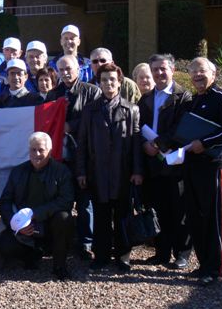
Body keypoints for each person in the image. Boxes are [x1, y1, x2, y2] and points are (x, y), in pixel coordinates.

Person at [76, 63, 143, 272]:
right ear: (99, 83)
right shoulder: (90, 110)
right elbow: (82, 143)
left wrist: (137, 171)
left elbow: (136, 144)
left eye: (112, 79)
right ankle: (102, 255)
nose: (108, 83)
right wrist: (81, 171)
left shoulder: (132, 109)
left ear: (120, 82)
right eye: (104, 80)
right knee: (101, 215)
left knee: (123, 215)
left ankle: (123, 256)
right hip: (97, 172)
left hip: (122, 173)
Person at [183, 57, 222, 286]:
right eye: (193, 71)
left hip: (216, 165)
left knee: (216, 217)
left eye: (202, 71)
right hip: (194, 166)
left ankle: (215, 268)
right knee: (197, 216)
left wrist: (205, 143)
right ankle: (203, 264)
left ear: (213, 74)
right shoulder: (194, 100)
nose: (198, 75)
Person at [138, 54, 192, 269]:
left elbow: (182, 128)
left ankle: (182, 254)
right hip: (152, 163)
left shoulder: (183, 96)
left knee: (179, 210)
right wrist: (144, 144)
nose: (159, 73)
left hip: (174, 162)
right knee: (158, 209)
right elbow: (138, 126)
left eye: (163, 69)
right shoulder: (145, 98)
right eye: (155, 69)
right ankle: (162, 253)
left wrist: (158, 143)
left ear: (172, 69)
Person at [0, 132, 74, 280]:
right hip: (24, 226)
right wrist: (16, 224)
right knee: (5, 246)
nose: (37, 154)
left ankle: (59, 266)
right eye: (33, 150)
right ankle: (31, 255)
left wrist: (35, 214)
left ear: (50, 151)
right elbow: (5, 201)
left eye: (41, 150)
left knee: (64, 218)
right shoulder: (18, 171)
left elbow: (66, 201)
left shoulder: (62, 171)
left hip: (50, 224)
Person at [46, 54, 101, 260]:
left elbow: (96, 118)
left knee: (85, 201)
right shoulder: (53, 94)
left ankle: (86, 243)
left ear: (78, 69)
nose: (65, 73)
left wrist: (71, 126)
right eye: (61, 70)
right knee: (60, 201)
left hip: (84, 155)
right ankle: (60, 241)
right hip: (60, 157)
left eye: (68, 68)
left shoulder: (92, 91)